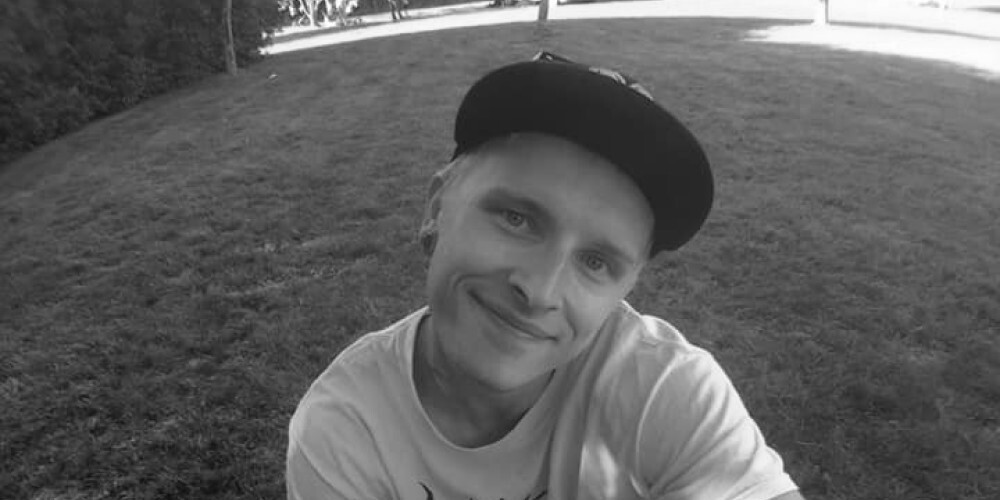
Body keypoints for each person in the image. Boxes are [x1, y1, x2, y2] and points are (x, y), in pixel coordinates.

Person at [286, 51, 805, 500]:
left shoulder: (662, 388)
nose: (540, 291)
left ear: (627, 287)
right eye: (517, 219)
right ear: (437, 208)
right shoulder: (345, 428)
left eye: (596, 262)